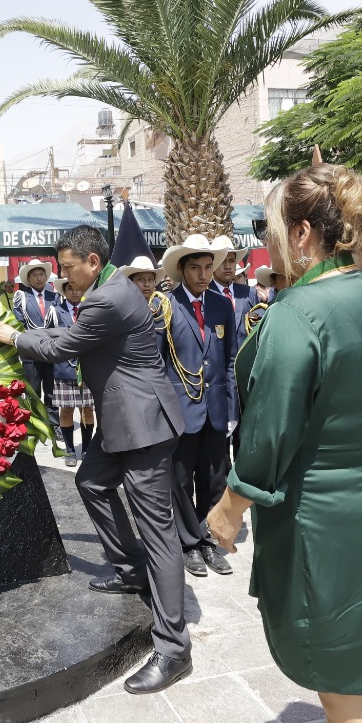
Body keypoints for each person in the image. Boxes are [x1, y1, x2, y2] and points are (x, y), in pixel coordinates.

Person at [208, 164, 362, 723]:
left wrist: (230, 507)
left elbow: (270, 432)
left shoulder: (298, 312)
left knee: (347, 694)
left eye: (274, 228)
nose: (270, 242)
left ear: (303, 233)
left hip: (329, 518)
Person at [0, 226, 191, 694]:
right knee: (92, 483)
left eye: (69, 267)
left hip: (142, 427)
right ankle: (131, 567)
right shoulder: (111, 290)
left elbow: (63, 346)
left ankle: (174, 648)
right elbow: (73, 332)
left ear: (93, 263)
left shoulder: (107, 299)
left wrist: (15, 338)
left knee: (159, 533)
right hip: (122, 421)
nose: (63, 276)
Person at [155, 233, 236, 578]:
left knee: (215, 478)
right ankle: (188, 542)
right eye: (196, 268)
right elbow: (156, 364)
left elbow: (230, 358)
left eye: (208, 267)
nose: (204, 275)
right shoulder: (166, 306)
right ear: (182, 269)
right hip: (181, 408)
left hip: (216, 408)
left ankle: (208, 539)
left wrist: (232, 408)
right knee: (180, 478)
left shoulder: (221, 305)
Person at [11, 258, 61, 446]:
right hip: (31, 351)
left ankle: (54, 426)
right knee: (33, 389)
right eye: (34, 275)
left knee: (51, 390)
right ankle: (34, 425)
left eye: (41, 274)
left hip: (50, 350)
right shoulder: (22, 298)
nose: (39, 278)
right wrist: (32, 343)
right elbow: (19, 324)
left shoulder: (54, 296)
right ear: (29, 279)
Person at [52, 283, 95, 468]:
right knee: (67, 409)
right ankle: (69, 449)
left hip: (88, 368)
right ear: (64, 291)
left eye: (78, 288)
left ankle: (86, 449)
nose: (75, 291)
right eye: (70, 288)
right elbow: (48, 339)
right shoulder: (55, 311)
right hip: (64, 367)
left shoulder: (91, 310)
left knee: (87, 410)